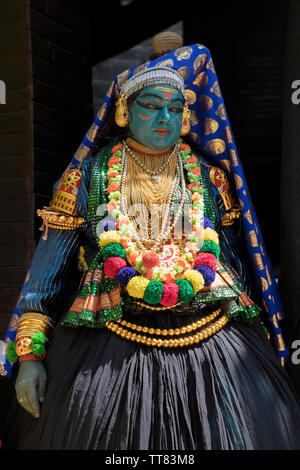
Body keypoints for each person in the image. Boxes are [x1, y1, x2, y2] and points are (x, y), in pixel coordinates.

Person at [1, 40, 300, 450]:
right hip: (105, 343)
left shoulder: (209, 180)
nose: (165, 117)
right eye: (151, 106)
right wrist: (30, 358)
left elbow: (234, 267)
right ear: (124, 112)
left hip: (214, 337)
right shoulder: (86, 178)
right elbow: (45, 277)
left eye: (175, 109)